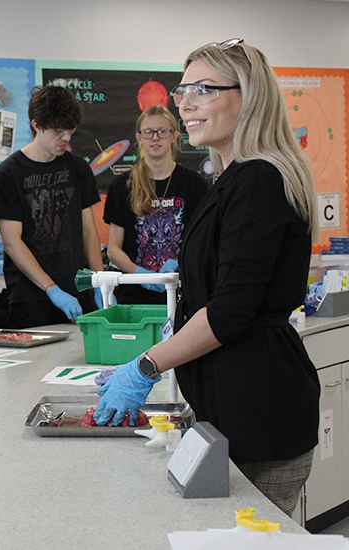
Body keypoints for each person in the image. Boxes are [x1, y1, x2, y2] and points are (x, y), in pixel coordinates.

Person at [94, 39, 320, 516]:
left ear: (249, 96)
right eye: (183, 91)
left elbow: (229, 312)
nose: (186, 104)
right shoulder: (231, 179)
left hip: (259, 415)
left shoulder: (259, 179)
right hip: (232, 410)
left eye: (204, 90)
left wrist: (146, 366)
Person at [0, 85, 104, 328]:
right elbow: (12, 242)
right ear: (36, 125)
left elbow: (88, 231)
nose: (66, 137)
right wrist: (51, 288)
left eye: (70, 129)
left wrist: (99, 281)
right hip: (31, 297)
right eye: (58, 130)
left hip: (78, 289)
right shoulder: (10, 173)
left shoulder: (78, 168)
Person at [103, 104, 209, 304]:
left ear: (174, 136)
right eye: (148, 132)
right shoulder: (122, 185)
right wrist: (140, 274)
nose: (155, 138)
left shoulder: (194, 184)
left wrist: (178, 263)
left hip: (181, 292)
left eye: (162, 131)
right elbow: (114, 250)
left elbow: (201, 242)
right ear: (139, 138)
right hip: (134, 296)